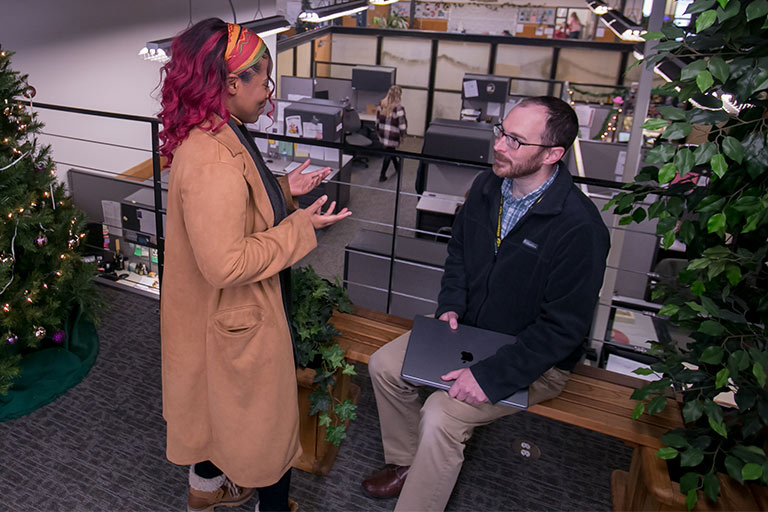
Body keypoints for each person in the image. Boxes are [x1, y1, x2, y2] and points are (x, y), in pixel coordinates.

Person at [361, 96, 610, 511]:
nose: (498, 145)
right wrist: (451, 305)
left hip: (533, 360)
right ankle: (407, 465)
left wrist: (490, 377)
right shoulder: (486, 187)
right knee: (384, 366)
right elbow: (458, 253)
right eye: (501, 132)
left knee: (441, 413)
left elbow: (563, 330)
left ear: (553, 154)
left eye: (515, 140)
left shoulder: (580, 228)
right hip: (469, 331)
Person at [158, 18, 351, 512]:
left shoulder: (217, 133)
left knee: (211, 413)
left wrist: (283, 191)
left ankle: (205, 494)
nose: (269, 90)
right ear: (228, 84)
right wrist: (302, 227)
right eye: (262, 77)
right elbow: (226, 262)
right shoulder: (213, 161)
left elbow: (229, 216)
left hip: (209, 315)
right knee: (269, 431)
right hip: (234, 315)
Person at [375, 85, 407, 182]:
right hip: (393, 135)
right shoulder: (399, 108)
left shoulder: (382, 103)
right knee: (389, 152)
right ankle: (382, 175)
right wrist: (403, 135)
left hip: (383, 133)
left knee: (390, 150)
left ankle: (397, 167)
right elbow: (402, 125)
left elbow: (377, 120)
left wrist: (378, 131)